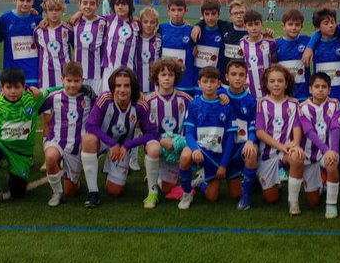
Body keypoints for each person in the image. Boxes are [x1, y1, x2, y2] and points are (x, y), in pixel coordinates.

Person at [81, 67, 153, 207]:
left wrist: (127, 145)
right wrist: (112, 143)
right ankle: (93, 192)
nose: (122, 90)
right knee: (88, 140)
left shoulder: (140, 105)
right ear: (113, 87)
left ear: (133, 87)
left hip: (123, 147)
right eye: (118, 85)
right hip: (102, 140)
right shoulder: (105, 99)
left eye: (126, 85)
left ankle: (110, 168)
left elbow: (151, 133)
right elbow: (90, 126)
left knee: (115, 191)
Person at [0, 67, 45, 205]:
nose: (12, 91)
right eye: (8, 87)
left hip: (21, 153)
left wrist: (82, 87)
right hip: (2, 144)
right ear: (2, 87)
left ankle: (14, 176)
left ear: (24, 86)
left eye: (17, 87)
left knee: (18, 194)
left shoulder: (34, 98)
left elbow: (55, 89)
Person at [177, 66, 233, 209]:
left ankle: (201, 182)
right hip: (199, 151)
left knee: (212, 197)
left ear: (219, 83)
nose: (209, 85)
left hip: (216, 156)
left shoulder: (225, 106)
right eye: (205, 81)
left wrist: (223, 165)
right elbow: (188, 133)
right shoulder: (194, 105)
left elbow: (230, 138)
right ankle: (187, 193)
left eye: (212, 81)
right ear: (199, 83)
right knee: (185, 156)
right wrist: (195, 149)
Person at [40, 61, 94, 206]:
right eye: (69, 81)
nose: (72, 85)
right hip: (56, 141)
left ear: (82, 80)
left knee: (71, 192)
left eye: (76, 81)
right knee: (50, 157)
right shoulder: (54, 97)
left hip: (76, 146)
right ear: (62, 79)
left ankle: (74, 178)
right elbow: (34, 108)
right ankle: (56, 193)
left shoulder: (89, 98)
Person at [142, 58, 193, 208]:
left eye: (170, 75)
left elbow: (193, 124)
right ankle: (152, 193)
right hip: (158, 145)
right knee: (153, 148)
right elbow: (144, 130)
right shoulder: (148, 101)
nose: (166, 78)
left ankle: (156, 175)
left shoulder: (185, 99)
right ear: (156, 77)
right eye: (163, 74)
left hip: (177, 149)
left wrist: (179, 142)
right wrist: (160, 139)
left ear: (175, 77)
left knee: (168, 189)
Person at [254, 63, 304, 209]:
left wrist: (295, 143)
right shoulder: (261, 103)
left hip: (287, 152)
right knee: (271, 199)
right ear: (267, 84)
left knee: (297, 157)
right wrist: (282, 146)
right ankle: (269, 178)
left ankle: (293, 202)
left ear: (286, 83)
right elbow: (260, 132)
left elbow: (297, 127)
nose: (276, 84)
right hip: (268, 154)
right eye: (272, 81)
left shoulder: (294, 104)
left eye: (280, 81)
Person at [297, 72, 340, 218]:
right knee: (313, 201)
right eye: (317, 86)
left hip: (328, 152)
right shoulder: (302, 107)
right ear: (310, 89)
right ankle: (322, 184)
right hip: (310, 155)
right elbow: (309, 132)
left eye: (324, 87)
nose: (320, 89)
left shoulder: (335, 104)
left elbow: (336, 128)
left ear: (329, 90)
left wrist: (333, 152)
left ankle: (331, 205)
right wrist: (326, 150)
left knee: (332, 163)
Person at [221, 59, 259, 211]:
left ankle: (246, 198)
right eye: (234, 74)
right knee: (233, 194)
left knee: (251, 152)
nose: (237, 78)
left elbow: (254, 125)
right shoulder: (220, 96)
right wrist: (218, 93)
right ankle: (204, 180)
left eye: (241, 75)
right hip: (225, 147)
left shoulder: (251, 100)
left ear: (246, 78)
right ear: (227, 77)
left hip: (243, 144)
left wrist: (250, 141)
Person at [0, 0, 43, 87]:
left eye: (28, 0)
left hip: (33, 73)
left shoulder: (37, 19)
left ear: (33, 1)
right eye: (21, 0)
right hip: (12, 73)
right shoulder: (5, 19)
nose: (25, 3)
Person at [71, 0, 107, 94]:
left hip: (97, 76)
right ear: (79, 5)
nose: (88, 6)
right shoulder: (74, 22)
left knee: (96, 106)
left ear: (97, 5)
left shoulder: (104, 22)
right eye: (85, 3)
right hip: (78, 76)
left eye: (92, 3)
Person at [33, 0, 72, 91]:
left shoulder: (68, 30)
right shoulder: (38, 31)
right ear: (46, 11)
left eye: (57, 10)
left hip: (65, 76)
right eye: (50, 10)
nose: (54, 13)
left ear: (62, 10)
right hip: (45, 76)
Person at [158, 0, 197, 94]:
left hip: (186, 82)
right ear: (168, 11)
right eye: (173, 10)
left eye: (180, 10)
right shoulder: (161, 28)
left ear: (186, 10)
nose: (176, 13)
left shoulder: (192, 30)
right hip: (166, 82)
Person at [307, 8, 340, 101]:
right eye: (326, 23)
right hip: (320, 92)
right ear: (318, 27)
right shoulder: (312, 44)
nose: (331, 25)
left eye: (333, 22)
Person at [238, 10, 277, 98]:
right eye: (250, 25)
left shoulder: (270, 42)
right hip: (249, 89)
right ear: (245, 27)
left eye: (257, 24)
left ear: (262, 25)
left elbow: (277, 62)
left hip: (268, 89)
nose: (254, 28)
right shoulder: (241, 44)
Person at [101, 0, 140, 76]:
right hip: (109, 70)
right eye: (117, 4)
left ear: (130, 6)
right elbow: (90, 17)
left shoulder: (136, 24)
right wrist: (79, 13)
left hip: (128, 71)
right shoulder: (107, 20)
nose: (120, 7)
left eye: (123, 4)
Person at [190, 0, 225, 91]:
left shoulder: (224, 31)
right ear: (202, 14)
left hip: (215, 85)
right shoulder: (195, 31)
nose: (210, 18)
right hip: (197, 84)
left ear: (219, 14)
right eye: (207, 14)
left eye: (213, 14)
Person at [275, 9, 310, 101]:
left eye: (297, 25)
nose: (294, 27)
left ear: (301, 26)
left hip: (303, 94)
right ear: (283, 26)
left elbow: (319, 34)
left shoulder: (306, 41)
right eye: (290, 24)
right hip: (284, 95)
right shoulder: (276, 43)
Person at [135, 7, 163, 95]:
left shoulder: (159, 40)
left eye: (152, 22)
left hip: (155, 88)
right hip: (137, 87)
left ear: (156, 24)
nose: (148, 25)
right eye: (145, 22)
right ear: (141, 22)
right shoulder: (134, 38)